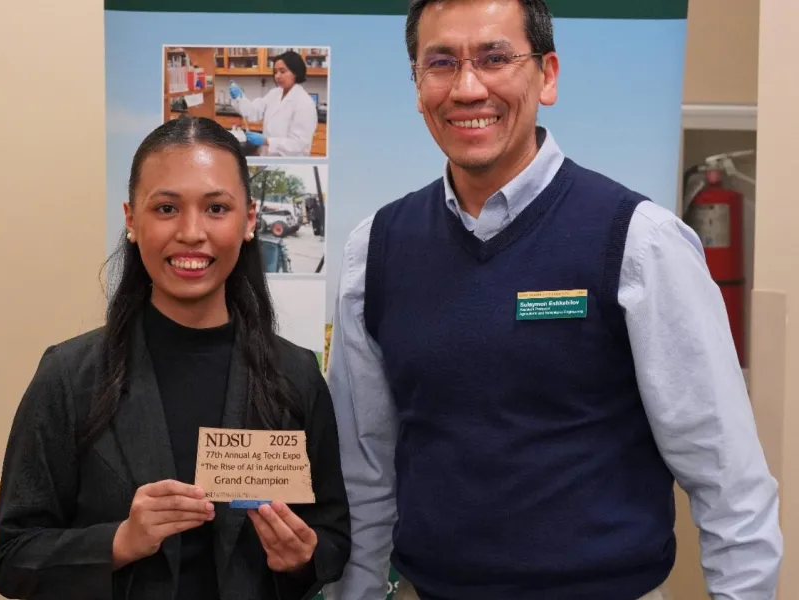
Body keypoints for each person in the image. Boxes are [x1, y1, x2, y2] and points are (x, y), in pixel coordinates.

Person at [323, 0, 782, 599]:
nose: (467, 88)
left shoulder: (639, 242)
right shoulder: (375, 252)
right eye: (440, 63)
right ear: (417, 85)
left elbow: (728, 481)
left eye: (494, 58)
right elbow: (364, 472)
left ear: (549, 75)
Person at [0, 115, 351, 600]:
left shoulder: (296, 375)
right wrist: (119, 542)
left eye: (217, 208)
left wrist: (303, 558)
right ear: (132, 221)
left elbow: (332, 535)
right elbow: (12, 557)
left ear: (249, 221)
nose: (191, 232)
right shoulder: (69, 377)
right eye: (166, 208)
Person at [228, 50, 319, 157]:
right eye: (275, 72)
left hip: (289, 162)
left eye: (282, 71)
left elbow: (299, 144)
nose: (277, 76)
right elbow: (253, 112)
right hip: (267, 156)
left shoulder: (304, 102)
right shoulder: (274, 93)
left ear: (296, 72)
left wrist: (267, 141)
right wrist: (239, 97)